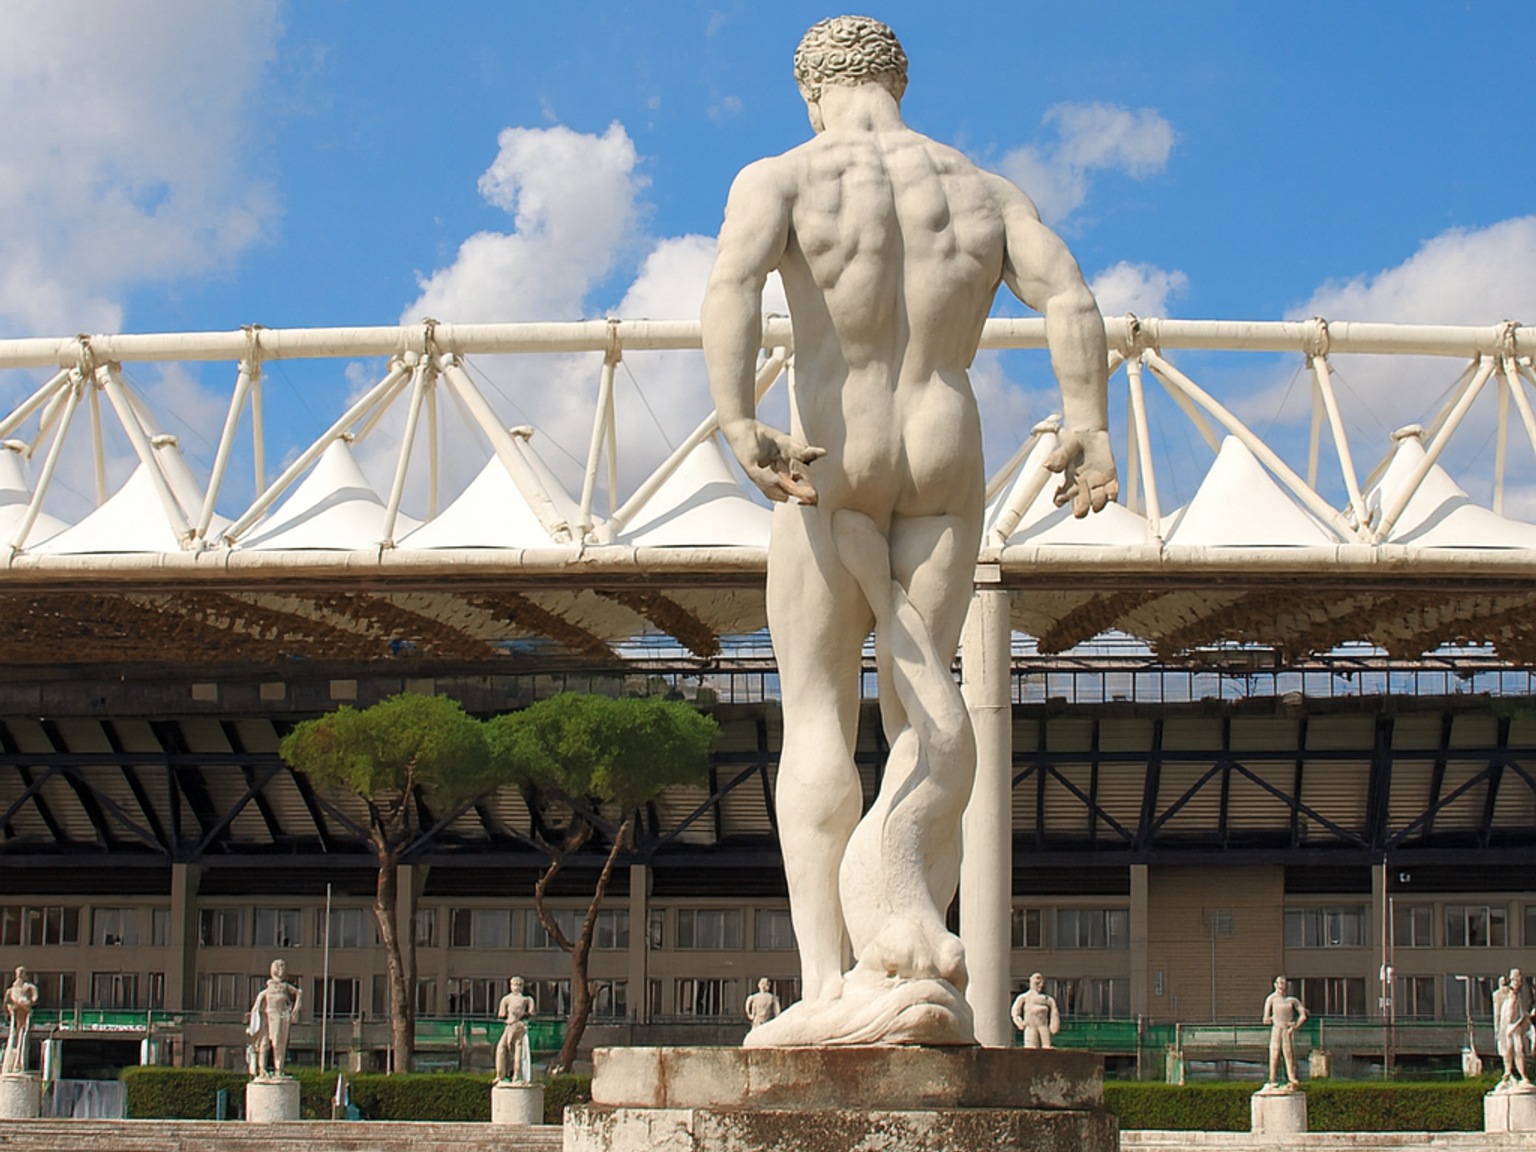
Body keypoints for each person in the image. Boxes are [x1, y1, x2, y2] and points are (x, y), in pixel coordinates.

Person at [703, 15, 1114, 1047]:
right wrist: (1089, 423)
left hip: (833, 457)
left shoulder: (782, 177)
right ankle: (913, 943)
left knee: (815, 717)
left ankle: (828, 981)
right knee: (924, 709)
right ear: (897, 81)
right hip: (942, 449)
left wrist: (737, 416)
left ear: (812, 91)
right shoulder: (983, 190)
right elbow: (1067, 293)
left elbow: (732, 288)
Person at [247, 959, 302, 1079]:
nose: (283, 970)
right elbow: (258, 1005)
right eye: (280, 967)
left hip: (282, 1015)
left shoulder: (286, 987)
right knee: (268, 1043)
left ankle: (278, 1069)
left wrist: (295, 1010)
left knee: (280, 1043)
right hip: (270, 1016)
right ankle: (262, 1070)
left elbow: (299, 993)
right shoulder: (268, 989)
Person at [1262, 975, 1308, 1090]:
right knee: (1274, 1052)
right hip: (1277, 1028)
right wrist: (1270, 1019)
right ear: (1275, 984)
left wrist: (1294, 1027)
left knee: (1289, 1053)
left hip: (1288, 1029)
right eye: (1280, 982)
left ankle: (1291, 1077)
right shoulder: (1271, 999)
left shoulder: (1292, 1000)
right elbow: (1265, 1018)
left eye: (1284, 983)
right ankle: (1272, 1078)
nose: (1283, 985)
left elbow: (1303, 1015)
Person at [1497, 967, 1534, 1089]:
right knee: (1508, 1050)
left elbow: (1522, 1012)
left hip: (1516, 1026)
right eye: (1515, 979)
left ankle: (1522, 1075)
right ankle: (1508, 1073)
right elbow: (1502, 1013)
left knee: (1519, 1049)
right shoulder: (1506, 994)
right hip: (1507, 1026)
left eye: (1519, 979)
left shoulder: (1522, 995)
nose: (1518, 982)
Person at [495, 976, 536, 1083]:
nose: (516, 987)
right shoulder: (526, 1000)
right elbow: (532, 1013)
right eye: (515, 985)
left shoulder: (508, 999)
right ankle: (512, 1075)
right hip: (519, 1025)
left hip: (512, 1025)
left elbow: (501, 1014)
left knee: (505, 1049)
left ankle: (503, 1075)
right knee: (516, 1050)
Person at [1010, 972, 1061, 1050]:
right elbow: (1015, 1011)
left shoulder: (1048, 999)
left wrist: (1054, 1025)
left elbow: (1054, 1013)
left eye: (1040, 982)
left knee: (1046, 1047)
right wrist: (1019, 1022)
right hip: (1030, 1026)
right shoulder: (1024, 997)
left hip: (1043, 1026)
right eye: (1036, 982)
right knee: (1030, 1048)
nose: (1039, 985)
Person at [2, 967, 39, 1075]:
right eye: (18, 972)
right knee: (14, 1036)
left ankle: (20, 1063)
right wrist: (12, 1007)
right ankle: (10, 1064)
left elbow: (34, 999)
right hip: (15, 1016)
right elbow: (7, 1002)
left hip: (25, 1015)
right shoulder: (12, 989)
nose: (19, 974)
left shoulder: (29, 987)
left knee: (23, 1037)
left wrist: (26, 1003)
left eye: (22, 972)